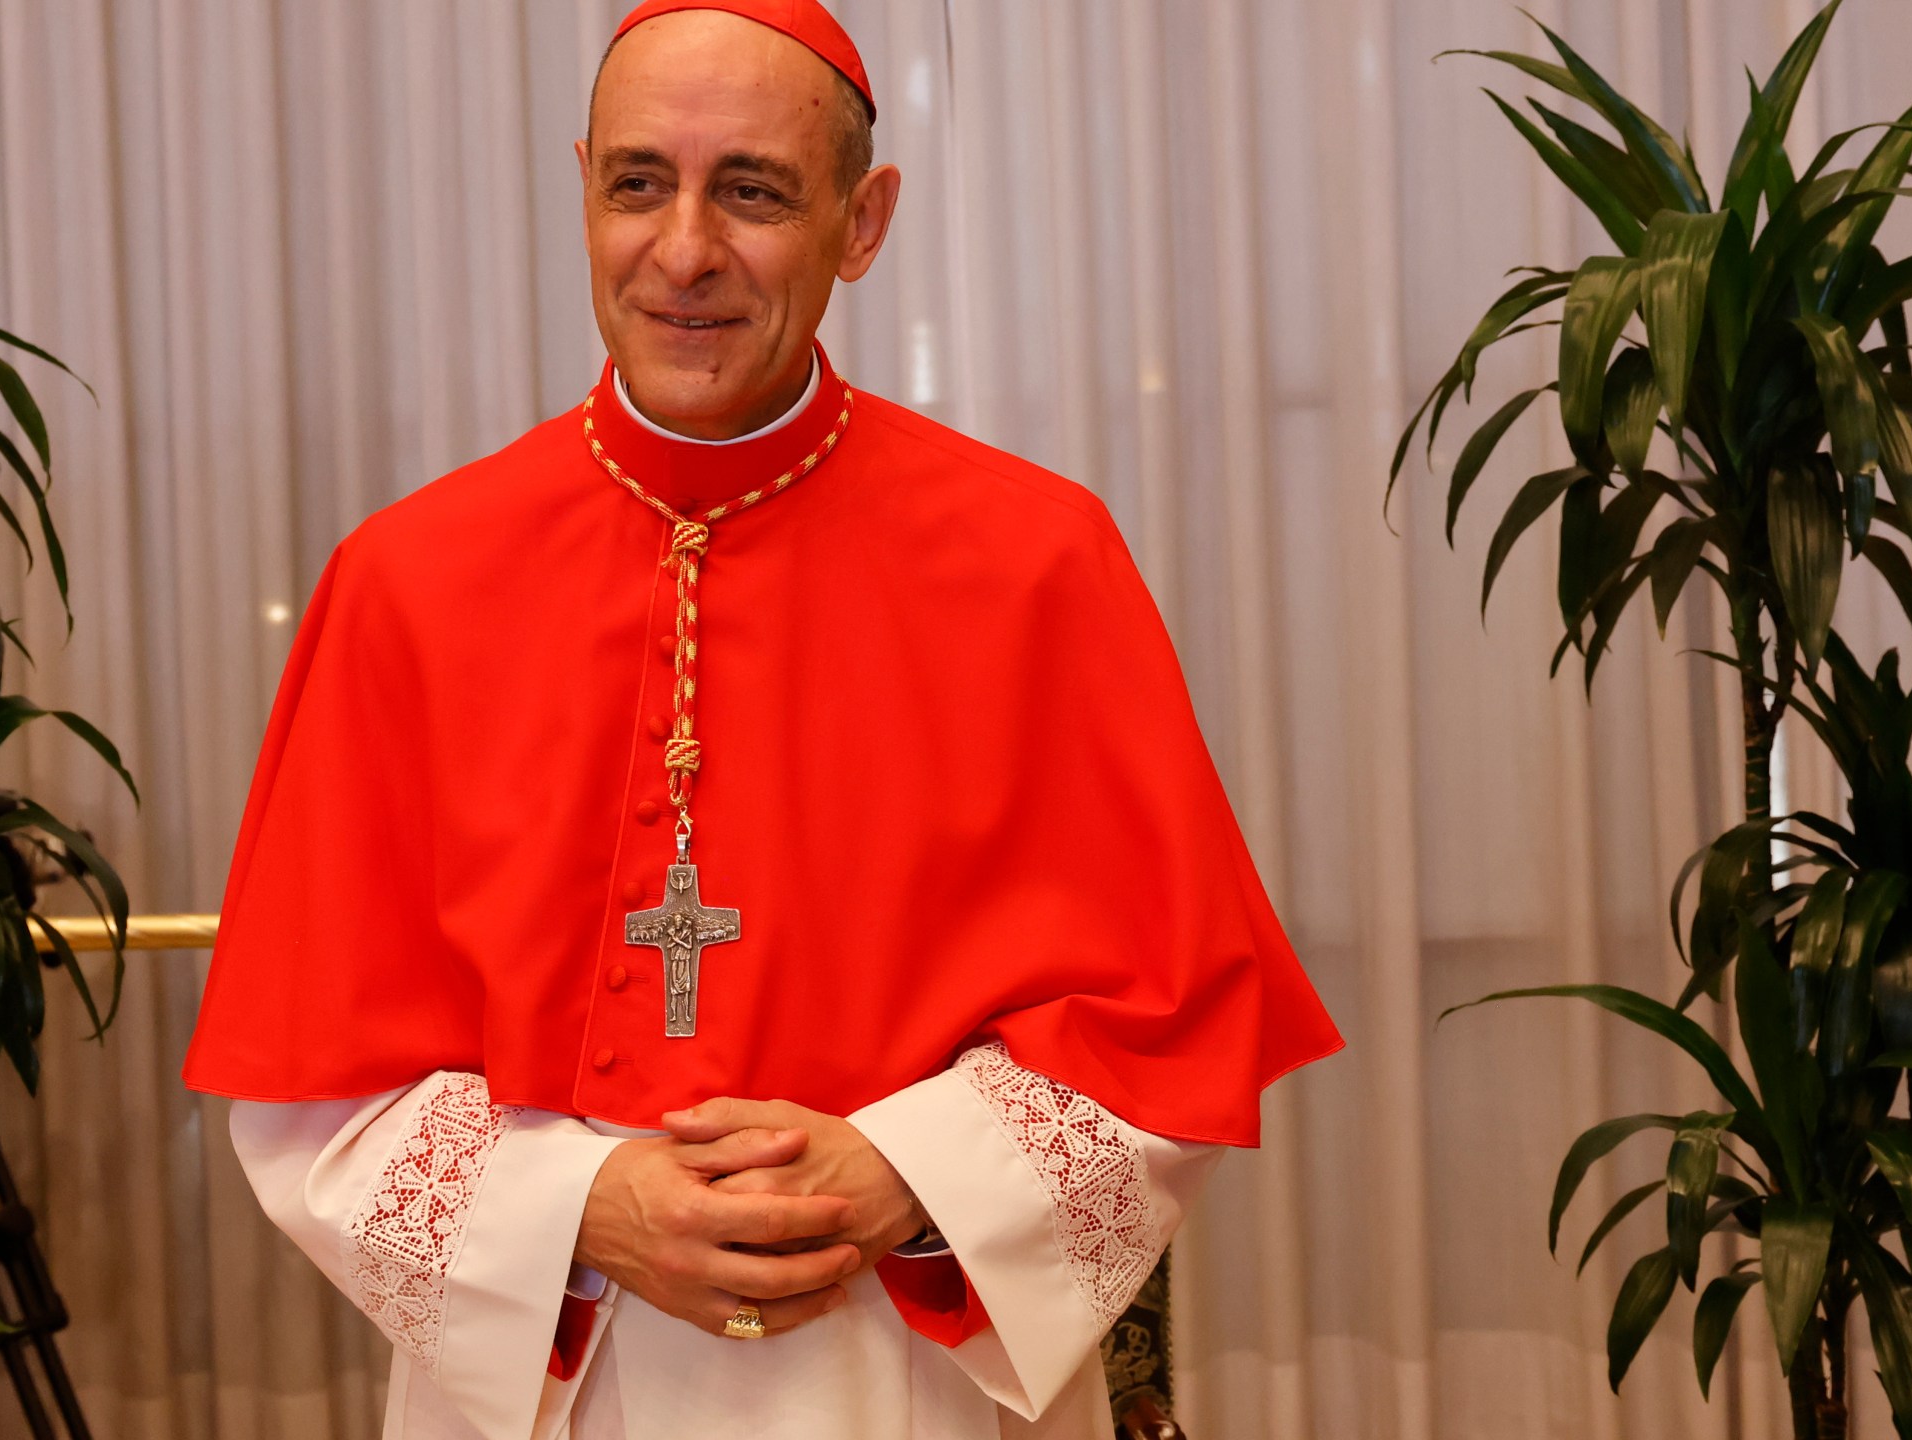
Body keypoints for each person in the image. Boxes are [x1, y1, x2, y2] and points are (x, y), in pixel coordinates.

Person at [181, 2, 1341, 1436]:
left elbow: (1171, 1035)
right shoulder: (408, 579)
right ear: (584, 189)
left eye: (752, 191)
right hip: (558, 1383)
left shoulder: (1038, 560)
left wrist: (911, 1171)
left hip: (907, 1380)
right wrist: (584, 1204)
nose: (683, 252)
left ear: (863, 223)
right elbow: (307, 1095)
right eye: (637, 183)